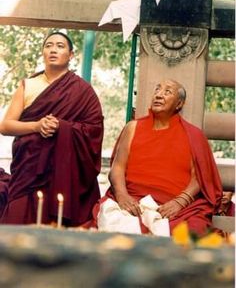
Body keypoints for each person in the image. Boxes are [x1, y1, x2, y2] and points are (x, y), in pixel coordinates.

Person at [84, 79, 222, 236]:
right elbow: (117, 167)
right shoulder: (133, 128)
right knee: (114, 223)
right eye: (157, 90)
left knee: (191, 231)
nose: (159, 95)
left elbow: (199, 177)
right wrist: (122, 195)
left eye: (167, 92)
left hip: (174, 205)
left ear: (179, 104)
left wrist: (180, 202)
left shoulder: (194, 135)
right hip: (133, 200)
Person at [0, 31, 104, 226]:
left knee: (56, 227)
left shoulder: (82, 91)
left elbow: (94, 130)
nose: (53, 50)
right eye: (48, 46)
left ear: (71, 55)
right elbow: (5, 126)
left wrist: (63, 127)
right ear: (43, 52)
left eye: (60, 46)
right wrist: (37, 126)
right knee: (16, 223)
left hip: (63, 170)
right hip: (28, 169)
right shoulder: (27, 85)